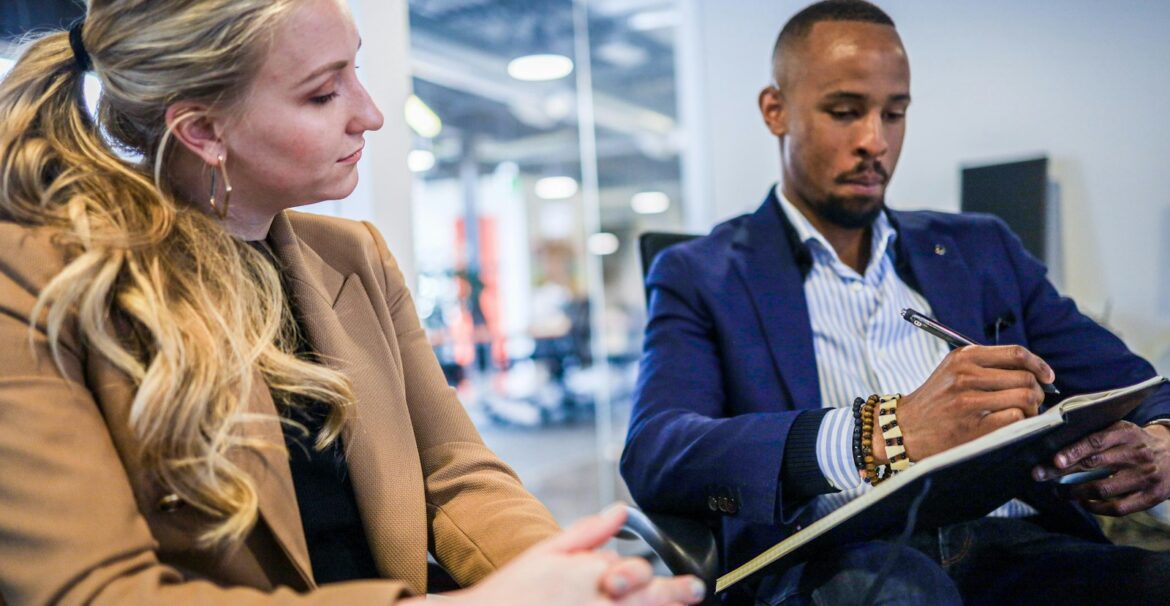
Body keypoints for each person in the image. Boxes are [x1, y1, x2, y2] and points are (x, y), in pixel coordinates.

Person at [0, 1, 707, 605]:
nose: (368, 114)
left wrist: (579, 575)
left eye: (356, 71)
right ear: (203, 131)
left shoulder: (353, 257)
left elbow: (456, 476)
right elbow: (95, 592)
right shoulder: (37, 281)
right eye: (321, 93)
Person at [620, 1, 1170, 604]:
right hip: (838, 563)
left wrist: (1161, 441)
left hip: (1021, 548)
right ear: (775, 110)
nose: (874, 142)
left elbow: (1139, 386)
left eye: (895, 113)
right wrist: (884, 432)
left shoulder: (980, 249)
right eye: (844, 111)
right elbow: (659, 451)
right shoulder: (702, 274)